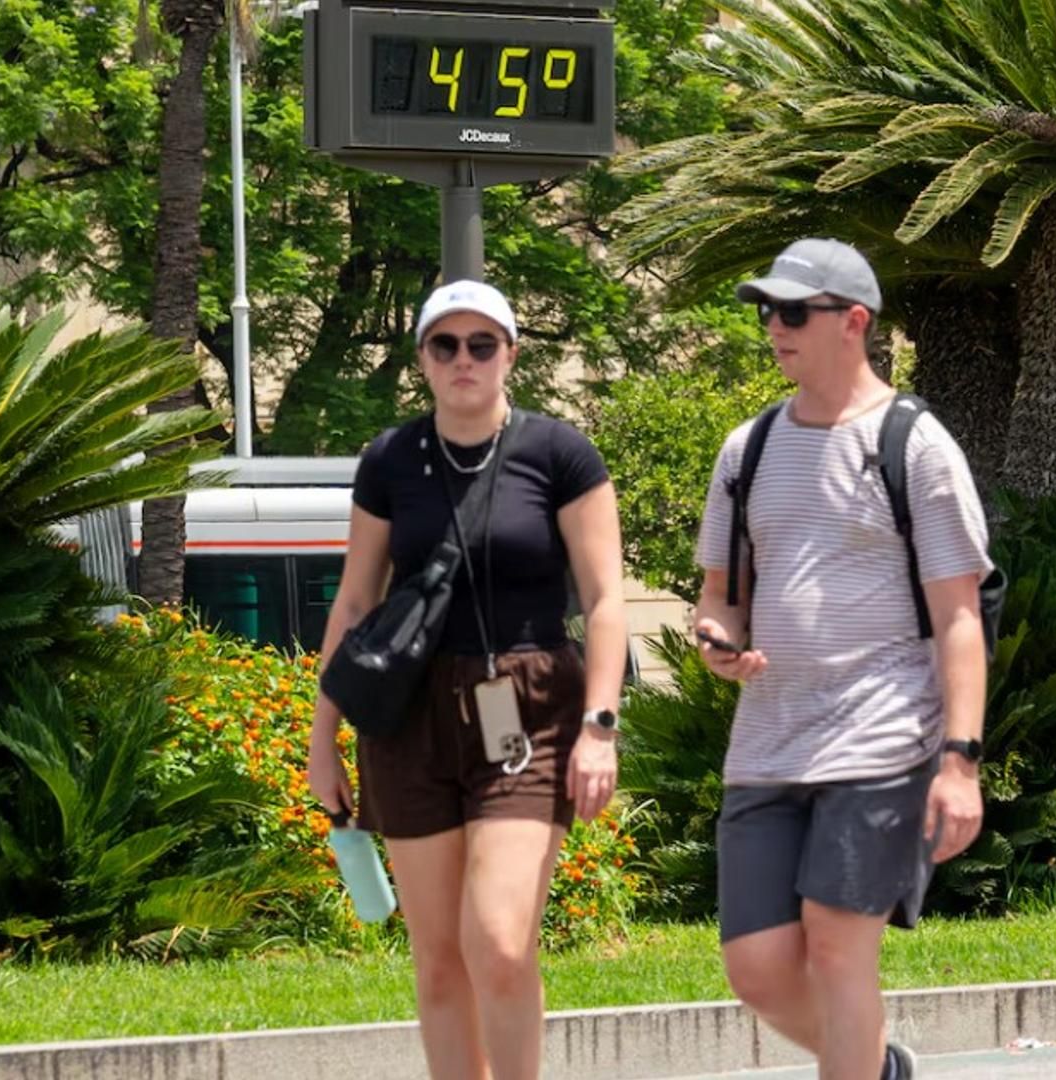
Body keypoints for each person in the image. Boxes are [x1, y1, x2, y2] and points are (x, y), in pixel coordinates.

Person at [307, 279, 626, 1080]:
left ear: (510, 353)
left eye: (482, 344)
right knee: (440, 960)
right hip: (408, 717)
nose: (464, 360)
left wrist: (599, 727)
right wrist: (321, 743)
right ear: (421, 358)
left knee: (499, 939)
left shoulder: (558, 453)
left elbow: (605, 599)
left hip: (526, 706)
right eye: (444, 344)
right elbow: (354, 600)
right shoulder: (389, 460)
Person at [692, 238, 993, 1080]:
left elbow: (959, 616)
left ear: (853, 322)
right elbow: (719, 595)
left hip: (884, 737)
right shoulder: (745, 451)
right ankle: (878, 1065)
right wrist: (716, 639)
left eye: (793, 311)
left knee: (836, 950)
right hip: (768, 742)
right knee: (754, 966)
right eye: (767, 312)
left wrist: (959, 762)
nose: (773, 328)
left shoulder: (918, 446)